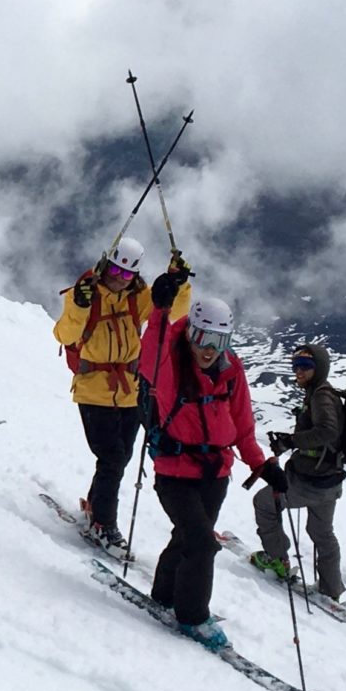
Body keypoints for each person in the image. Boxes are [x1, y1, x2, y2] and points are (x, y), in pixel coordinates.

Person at [137, 279, 281, 651]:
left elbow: (243, 428)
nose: (209, 350)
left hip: (215, 474)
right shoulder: (171, 361)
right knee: (202, 544)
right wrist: (159, 310)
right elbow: (149, 353)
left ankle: (164, 593)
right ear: (192, 334)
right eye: (202, 338)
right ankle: (193, 617)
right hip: (174, 471)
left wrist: (262, 466)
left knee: (186, 536)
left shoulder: (232, 373)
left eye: (219, 342)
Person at [53, 239, 189, 553]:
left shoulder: (137, 297)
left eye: (128, 273)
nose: (120, 277)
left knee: (119, 457)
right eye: (115, 269)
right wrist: (79, 306)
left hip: (130, 389)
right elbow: (64, 335)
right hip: (93, 389)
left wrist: (178, 285)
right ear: (106, 264)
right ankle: (104, 523)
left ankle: (95, 508)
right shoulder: (85, 293)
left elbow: (169, 312)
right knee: (113, 456)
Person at [248, 343, 346, 601]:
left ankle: (277, 559)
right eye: (296, 366)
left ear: (320, 368)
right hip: (330, 480)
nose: (299, 371)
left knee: (264, 503)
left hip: (310, 481)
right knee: (322, 533)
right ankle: (331, 588)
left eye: (306, 366)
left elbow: (327, 431)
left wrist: (291, 441)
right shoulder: (322, 393)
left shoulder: (320, 396)